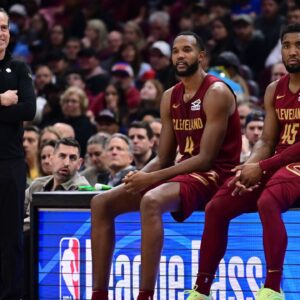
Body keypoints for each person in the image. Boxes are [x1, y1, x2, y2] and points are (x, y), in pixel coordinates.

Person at [90, 31, 241, 300]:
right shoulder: (169, 96)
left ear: (201, 56)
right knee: (101, 203)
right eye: (175, 51)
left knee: (151, 200)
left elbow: (206, 158)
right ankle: (98, 294)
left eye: (187, 50)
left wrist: (151, 180)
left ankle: (145, 295)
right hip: (185, 171)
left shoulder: (216, 91)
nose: (180, 56)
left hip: (215, 174)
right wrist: (137, 175)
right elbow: (164, 157)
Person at [186, 23, 300, 300]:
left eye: (298, 45)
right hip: (276, 163)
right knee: (217, 206)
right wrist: (248, 166)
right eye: (287, 45)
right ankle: (201, 292)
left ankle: (272, 288)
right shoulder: (275, 89)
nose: (292, 51)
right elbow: (266, 140)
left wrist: (261, 167)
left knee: (267, 201)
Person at [0, 8, 36, 299]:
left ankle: (12, 295)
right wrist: (1, 100)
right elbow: (14, 108)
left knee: (11, 236)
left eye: (4, 27)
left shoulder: (20, 69)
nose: (1, 33)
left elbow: (29, 110)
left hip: (10, 163)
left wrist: (13, 107)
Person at [24, 137, 89, 226]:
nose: (66, 163)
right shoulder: (37, 184)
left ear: (79, 164)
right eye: (62, 156)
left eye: (72, 158)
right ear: (52, 158)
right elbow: (14, 209)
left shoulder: (81, 189)